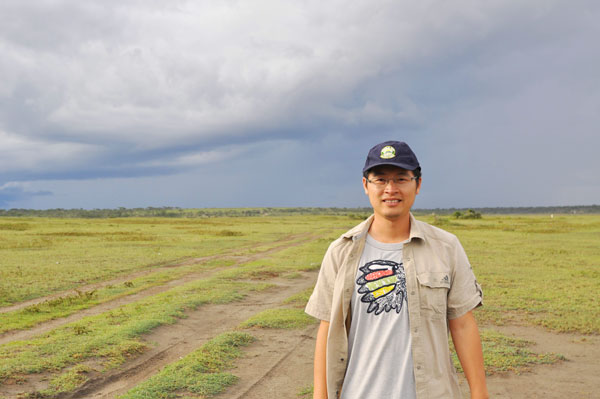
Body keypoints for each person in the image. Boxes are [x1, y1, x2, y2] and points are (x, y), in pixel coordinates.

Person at [305, 141, 488, 399]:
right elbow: (327, 328)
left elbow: (463, 325)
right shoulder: (341, 251)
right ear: (365, 186)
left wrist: (480, 393)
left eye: (401, 178)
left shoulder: (446, 247)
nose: (391, 189)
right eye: (380, 179)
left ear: (418, 184)